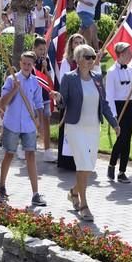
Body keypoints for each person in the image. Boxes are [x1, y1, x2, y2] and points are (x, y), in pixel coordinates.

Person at [57, 44, 119, 221]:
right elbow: (63, 103)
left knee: (89, 167)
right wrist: (58, 99)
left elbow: (104, 104)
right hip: (75, 128)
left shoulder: (98, 78)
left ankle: (74, 192)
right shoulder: (69, 79)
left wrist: (114, 123)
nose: (92, 60)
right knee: (83, 164)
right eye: (87, 57)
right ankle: (84, 205)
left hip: (93, 128)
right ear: (78, 59)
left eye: (93, 57)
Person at [0, 51, 46, 207]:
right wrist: (15, 89)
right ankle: (2, 186)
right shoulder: (11, 80)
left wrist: (40, 123)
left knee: (31, 155)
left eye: (29, 64)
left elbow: (39, 104)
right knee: (9, 154)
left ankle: (35, 194)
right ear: (20, 63)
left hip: (29, 124)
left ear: (33, 65)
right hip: (12, 123)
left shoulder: (35, 82)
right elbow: (3, 103)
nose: (26, 66)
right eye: (23, 63)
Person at [106, 42, 132, 184]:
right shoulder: (111, 72)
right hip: (118, 106)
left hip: (130, 106)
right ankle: (112, 164)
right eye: (128, 53)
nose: (131, 54)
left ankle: (122, 172)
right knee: (121, 138)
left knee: (127, 139)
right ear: (120, 54)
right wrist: (114, 116)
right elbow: (109, 95)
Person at [57, 33, 86, 171]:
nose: (78, 45)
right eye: (76, 42)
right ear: (71, 45)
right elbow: (63, 82)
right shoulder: (66, 62)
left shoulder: (87, 62)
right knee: (68, 132)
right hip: (69, 101)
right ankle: (66, 161)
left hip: (83, 102)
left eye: (81, 42)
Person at [33, 37, 56, 162]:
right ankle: (25, 146)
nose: (42, 51)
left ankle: (47, 150)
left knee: (46, 122)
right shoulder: (30, 60)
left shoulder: (46, 60)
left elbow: (49, 79)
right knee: (33, 122)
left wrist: (46, 68)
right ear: (34, 48)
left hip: (45, 96)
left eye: (44, 49)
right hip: (33, 97)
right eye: (40, 49)